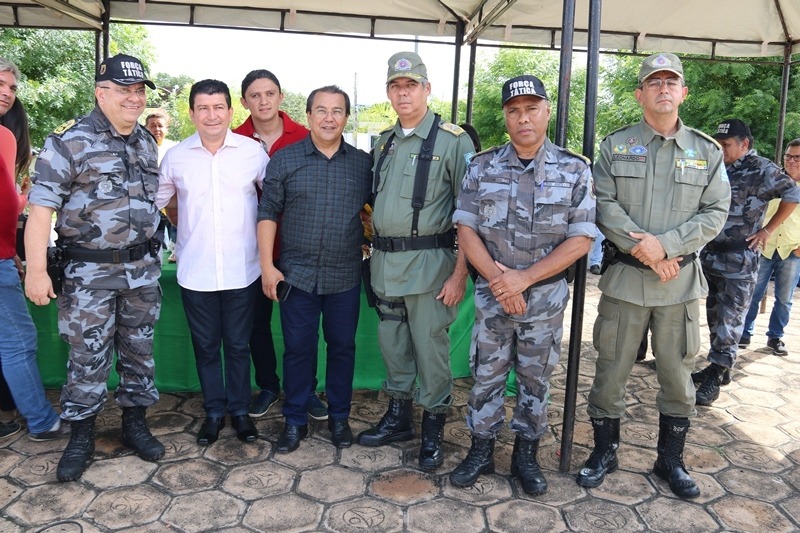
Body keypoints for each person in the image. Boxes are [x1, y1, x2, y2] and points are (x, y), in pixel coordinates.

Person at [576, 53, 730, 499]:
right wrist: (645, 248)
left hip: (677, 283)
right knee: (610, 371)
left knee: (678, 376)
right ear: (640, 93)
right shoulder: (616, 145)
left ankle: (671, 460)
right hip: (627, 283)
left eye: (672, 82)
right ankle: (605, 452)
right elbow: (602, 203)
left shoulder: (707, 151)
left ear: (683, 92)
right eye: (654, 82)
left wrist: (668, 246)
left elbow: (716, 210)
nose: (663, 88)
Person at [449, 75, 595, 495]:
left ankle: (525, 454)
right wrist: (500, 282)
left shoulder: (574, 169)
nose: (523, 118)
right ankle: (481, 449)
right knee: (487, 375)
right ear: (505, 117)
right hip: (494, 297)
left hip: (545, 300)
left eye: (532, 108)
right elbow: (466, 229)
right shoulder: (482, 165)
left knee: (535, 379)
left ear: (547, 112)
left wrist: (524, 280)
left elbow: (581, 239)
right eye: (514, 110)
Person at [25, 54, 166, 482]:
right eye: (124, 90)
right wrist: (35, 270)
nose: (134, 98)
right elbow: (40, 210)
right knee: (87, 358)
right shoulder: (69, 140)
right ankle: (82, 435)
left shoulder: (145, 141)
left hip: (141, 271)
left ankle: (134, 425)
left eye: (139, 90)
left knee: (139, 352)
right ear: (100, 93)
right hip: (89, 276)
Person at [356, 51, 474, 472]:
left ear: (427, 89)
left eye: (411, 86)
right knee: (394, 347)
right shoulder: (383, 142)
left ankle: (433, 431)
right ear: (389, 91)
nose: (403, 93)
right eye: (396, 86)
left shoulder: (453, 140)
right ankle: (399, 417)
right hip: (386, 266)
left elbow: (470, 214)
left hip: (430, 268)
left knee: (431, 350)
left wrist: (461, 274)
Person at [257, 85, 372, 453]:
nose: (329, 118)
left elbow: (377, 213)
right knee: (298, 349)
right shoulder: (286, 160)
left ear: (346, 117)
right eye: (321, 110)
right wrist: (267, 266)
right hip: (297, 275)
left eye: (337, 111)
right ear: (307, 116)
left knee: (342, 347)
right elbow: (267, 212)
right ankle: (294, 421)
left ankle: (339, 418)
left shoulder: (362, 163)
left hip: (344, 275)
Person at [156, 79, 267, 446]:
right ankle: (214, 412)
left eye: (218, 107)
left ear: (231, 111)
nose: (211, 115)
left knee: (238, 346)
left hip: (243, 269)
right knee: (206, 348)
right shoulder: (176, 157)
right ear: (191, 114)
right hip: (196, 271)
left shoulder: (253, 153)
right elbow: (154, 203)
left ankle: (239, 412)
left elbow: (274, 201)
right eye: (203, 108)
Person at [230, 69, 320, 421]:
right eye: (255, 95)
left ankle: (306, 389)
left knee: (302, 328)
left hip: (299, 248)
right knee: (256, 325)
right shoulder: (232, 138)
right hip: (250, 251)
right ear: (244, 102)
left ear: (281, 97)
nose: (263, 101)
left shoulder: (305, 136)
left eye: (270, 93)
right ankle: (268, 385)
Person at [692, 119, 798, 405]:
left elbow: (793, 194)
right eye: (719, 144)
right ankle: (718, 366)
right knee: (714, 312)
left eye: (726, 145)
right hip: (713, 253)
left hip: (740, 257)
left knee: (732, 317)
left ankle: (716, 374)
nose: (721, 149)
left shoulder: (762, 169)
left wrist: (768, 229)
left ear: (745, 144)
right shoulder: (717, 165)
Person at [0, 60, 63, 442]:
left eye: (12, 87)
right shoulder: (5, 138)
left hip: (5, 252)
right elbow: (9, 203)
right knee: (19, 341)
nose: (6, 92)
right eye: (0, 84)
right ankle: (41, 421)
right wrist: (27, 198)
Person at [742, 138, 800, 356]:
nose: (791, 161)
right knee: (753, 293)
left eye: (797, 157)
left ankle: (775, 337)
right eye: (788, 156)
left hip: (792, 250)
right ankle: (745, 333)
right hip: (764, 246)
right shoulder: (773, 180)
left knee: (784, 298)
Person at [145, 110, 179, 262]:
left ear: (166, 129)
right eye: (152, 126)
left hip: (172, 199)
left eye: (160, 126)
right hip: (147, 200)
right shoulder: (139, 148)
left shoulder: (176, 149)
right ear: (145, 128)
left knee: (175, 228)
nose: (157, 129)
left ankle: (175, 251)